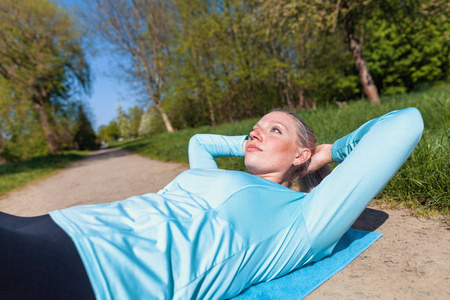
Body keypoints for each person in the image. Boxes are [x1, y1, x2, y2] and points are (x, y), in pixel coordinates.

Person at [1, 107, 423, 300]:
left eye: (273, 129)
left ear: (301, 155)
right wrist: (252, 143)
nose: (256, 132)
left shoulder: (305, 220)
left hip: (103, 274)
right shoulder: (213, 174)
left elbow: (406, 123)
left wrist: (326, 152)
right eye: (254, 128)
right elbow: (199, 141)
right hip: (58, 226)